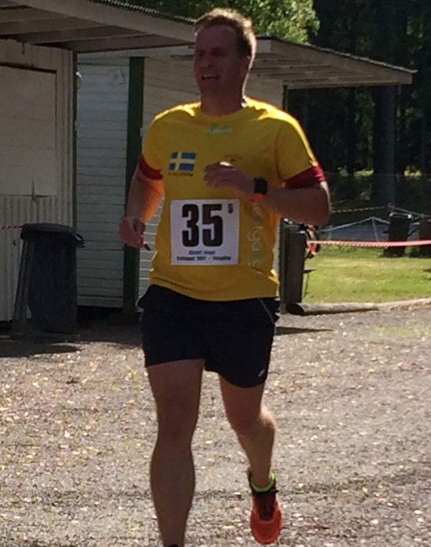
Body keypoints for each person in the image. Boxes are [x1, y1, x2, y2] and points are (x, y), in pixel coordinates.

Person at [118, 7, 331, 546]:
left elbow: (318, 206)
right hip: (174, 293)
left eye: (217, 53)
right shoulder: (169, 125)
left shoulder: (274, 129)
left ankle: (262, 481)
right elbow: (147, 180)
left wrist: (255, 188)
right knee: (174, 423)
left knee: (245, 420)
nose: (205, 63)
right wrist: (135, 216)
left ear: (243, 63)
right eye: (198, 54)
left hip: (244, 298)